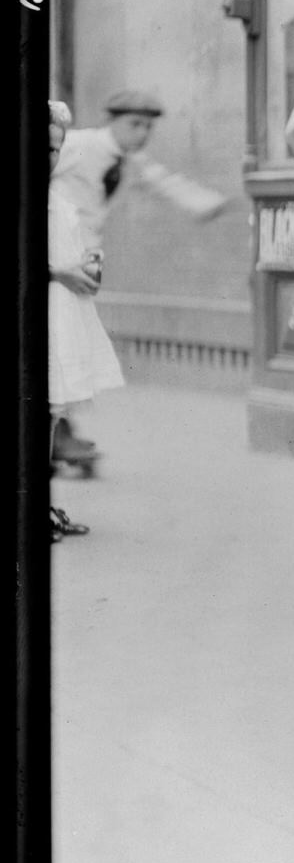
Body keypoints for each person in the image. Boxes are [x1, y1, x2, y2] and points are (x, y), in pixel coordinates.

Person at [49, 89, 228, 468]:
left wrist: (205, 203)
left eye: (148, 126)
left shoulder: (130, 160)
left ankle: (58, 435)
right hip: (54, 257)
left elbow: (164, 182)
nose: (141, 133)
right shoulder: (78, 144)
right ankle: (57, 437)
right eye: (134, 124)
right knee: (58, 348)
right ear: (112, 121)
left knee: (69, 348)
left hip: (81, 262)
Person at [47, 99, 125, 540]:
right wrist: (58, 271)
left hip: (62, 318)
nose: (50, 158)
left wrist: (86, 265)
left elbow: (68, 254)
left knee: (52, 413)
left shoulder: (60, 202)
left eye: (56, 149)